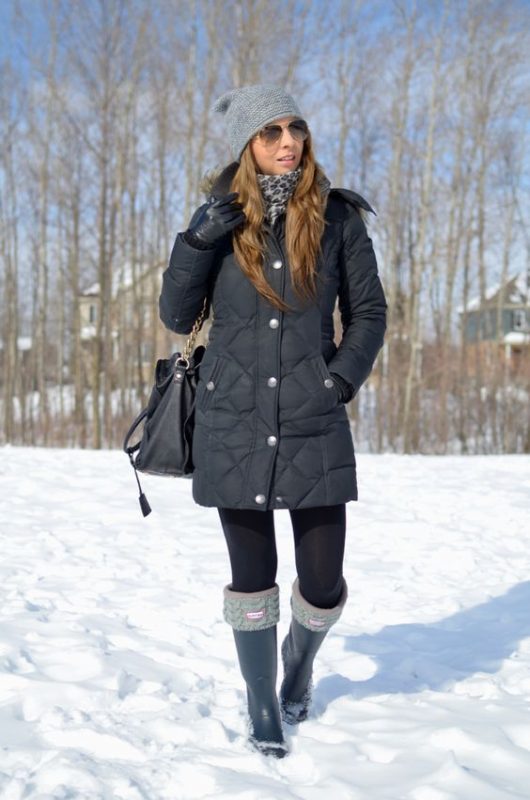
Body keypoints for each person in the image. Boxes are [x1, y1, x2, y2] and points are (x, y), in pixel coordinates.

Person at [159, 85, 387, 758]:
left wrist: (339, 379)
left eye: (297, 127)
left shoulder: (339, 217)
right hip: (233, 418)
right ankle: (262, 702)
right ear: (246, 147)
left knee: (321, 580)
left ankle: (301, 659)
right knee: (251, 573)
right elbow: (177, 316)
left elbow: (369, 313)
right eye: (271, 131)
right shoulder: (218, 221)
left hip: (314, 417)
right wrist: (199, 237)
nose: (289, 140)